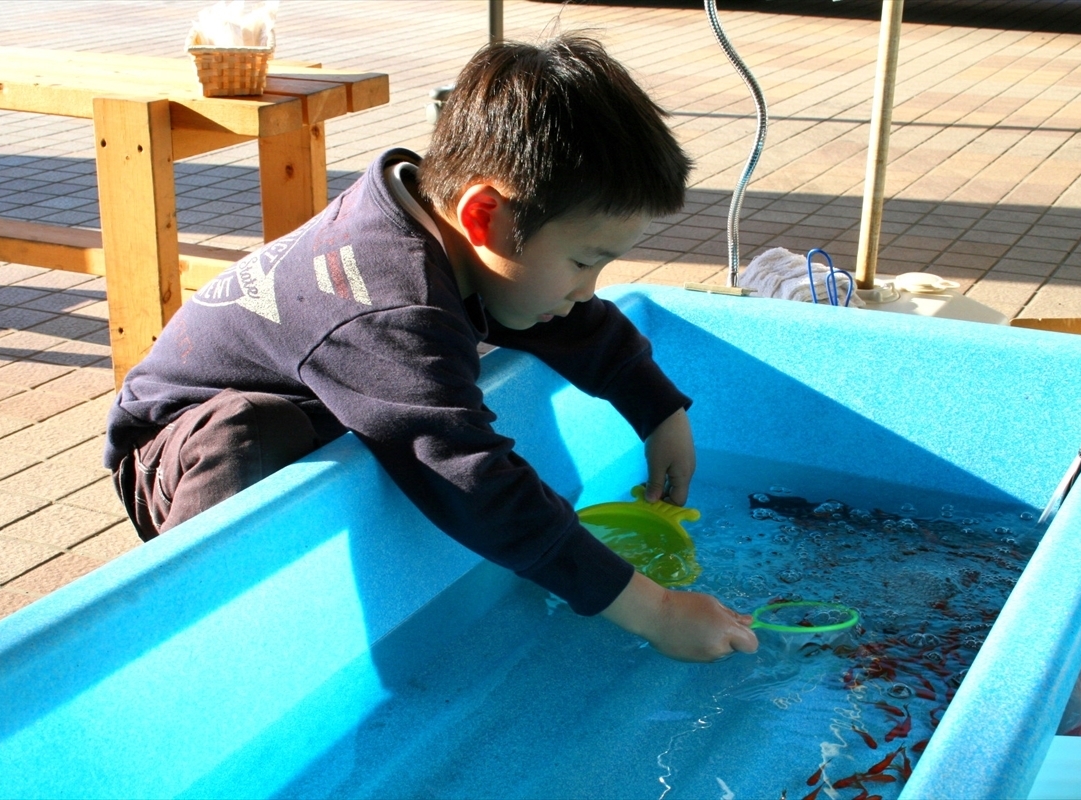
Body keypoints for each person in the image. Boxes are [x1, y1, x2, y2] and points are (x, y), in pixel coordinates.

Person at [104, 34, 758, 662]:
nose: (589, 289)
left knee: (514, 313)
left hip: (309, 401)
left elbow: (551, 314)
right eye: (586, 261)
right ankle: (188, 630)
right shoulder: (385, 299)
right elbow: (471, 481)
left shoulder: (446, 230)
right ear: (482, 216)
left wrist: (658, 410)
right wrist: (655, 611)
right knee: (252, 434)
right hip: (174, 453)